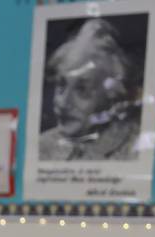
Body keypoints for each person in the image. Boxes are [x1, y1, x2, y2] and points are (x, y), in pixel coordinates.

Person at [37, 18, 141, 162]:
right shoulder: (42, 145)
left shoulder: (136, 149)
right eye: (61, 85)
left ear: (111, 96)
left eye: (82, 90)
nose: (63, 103)